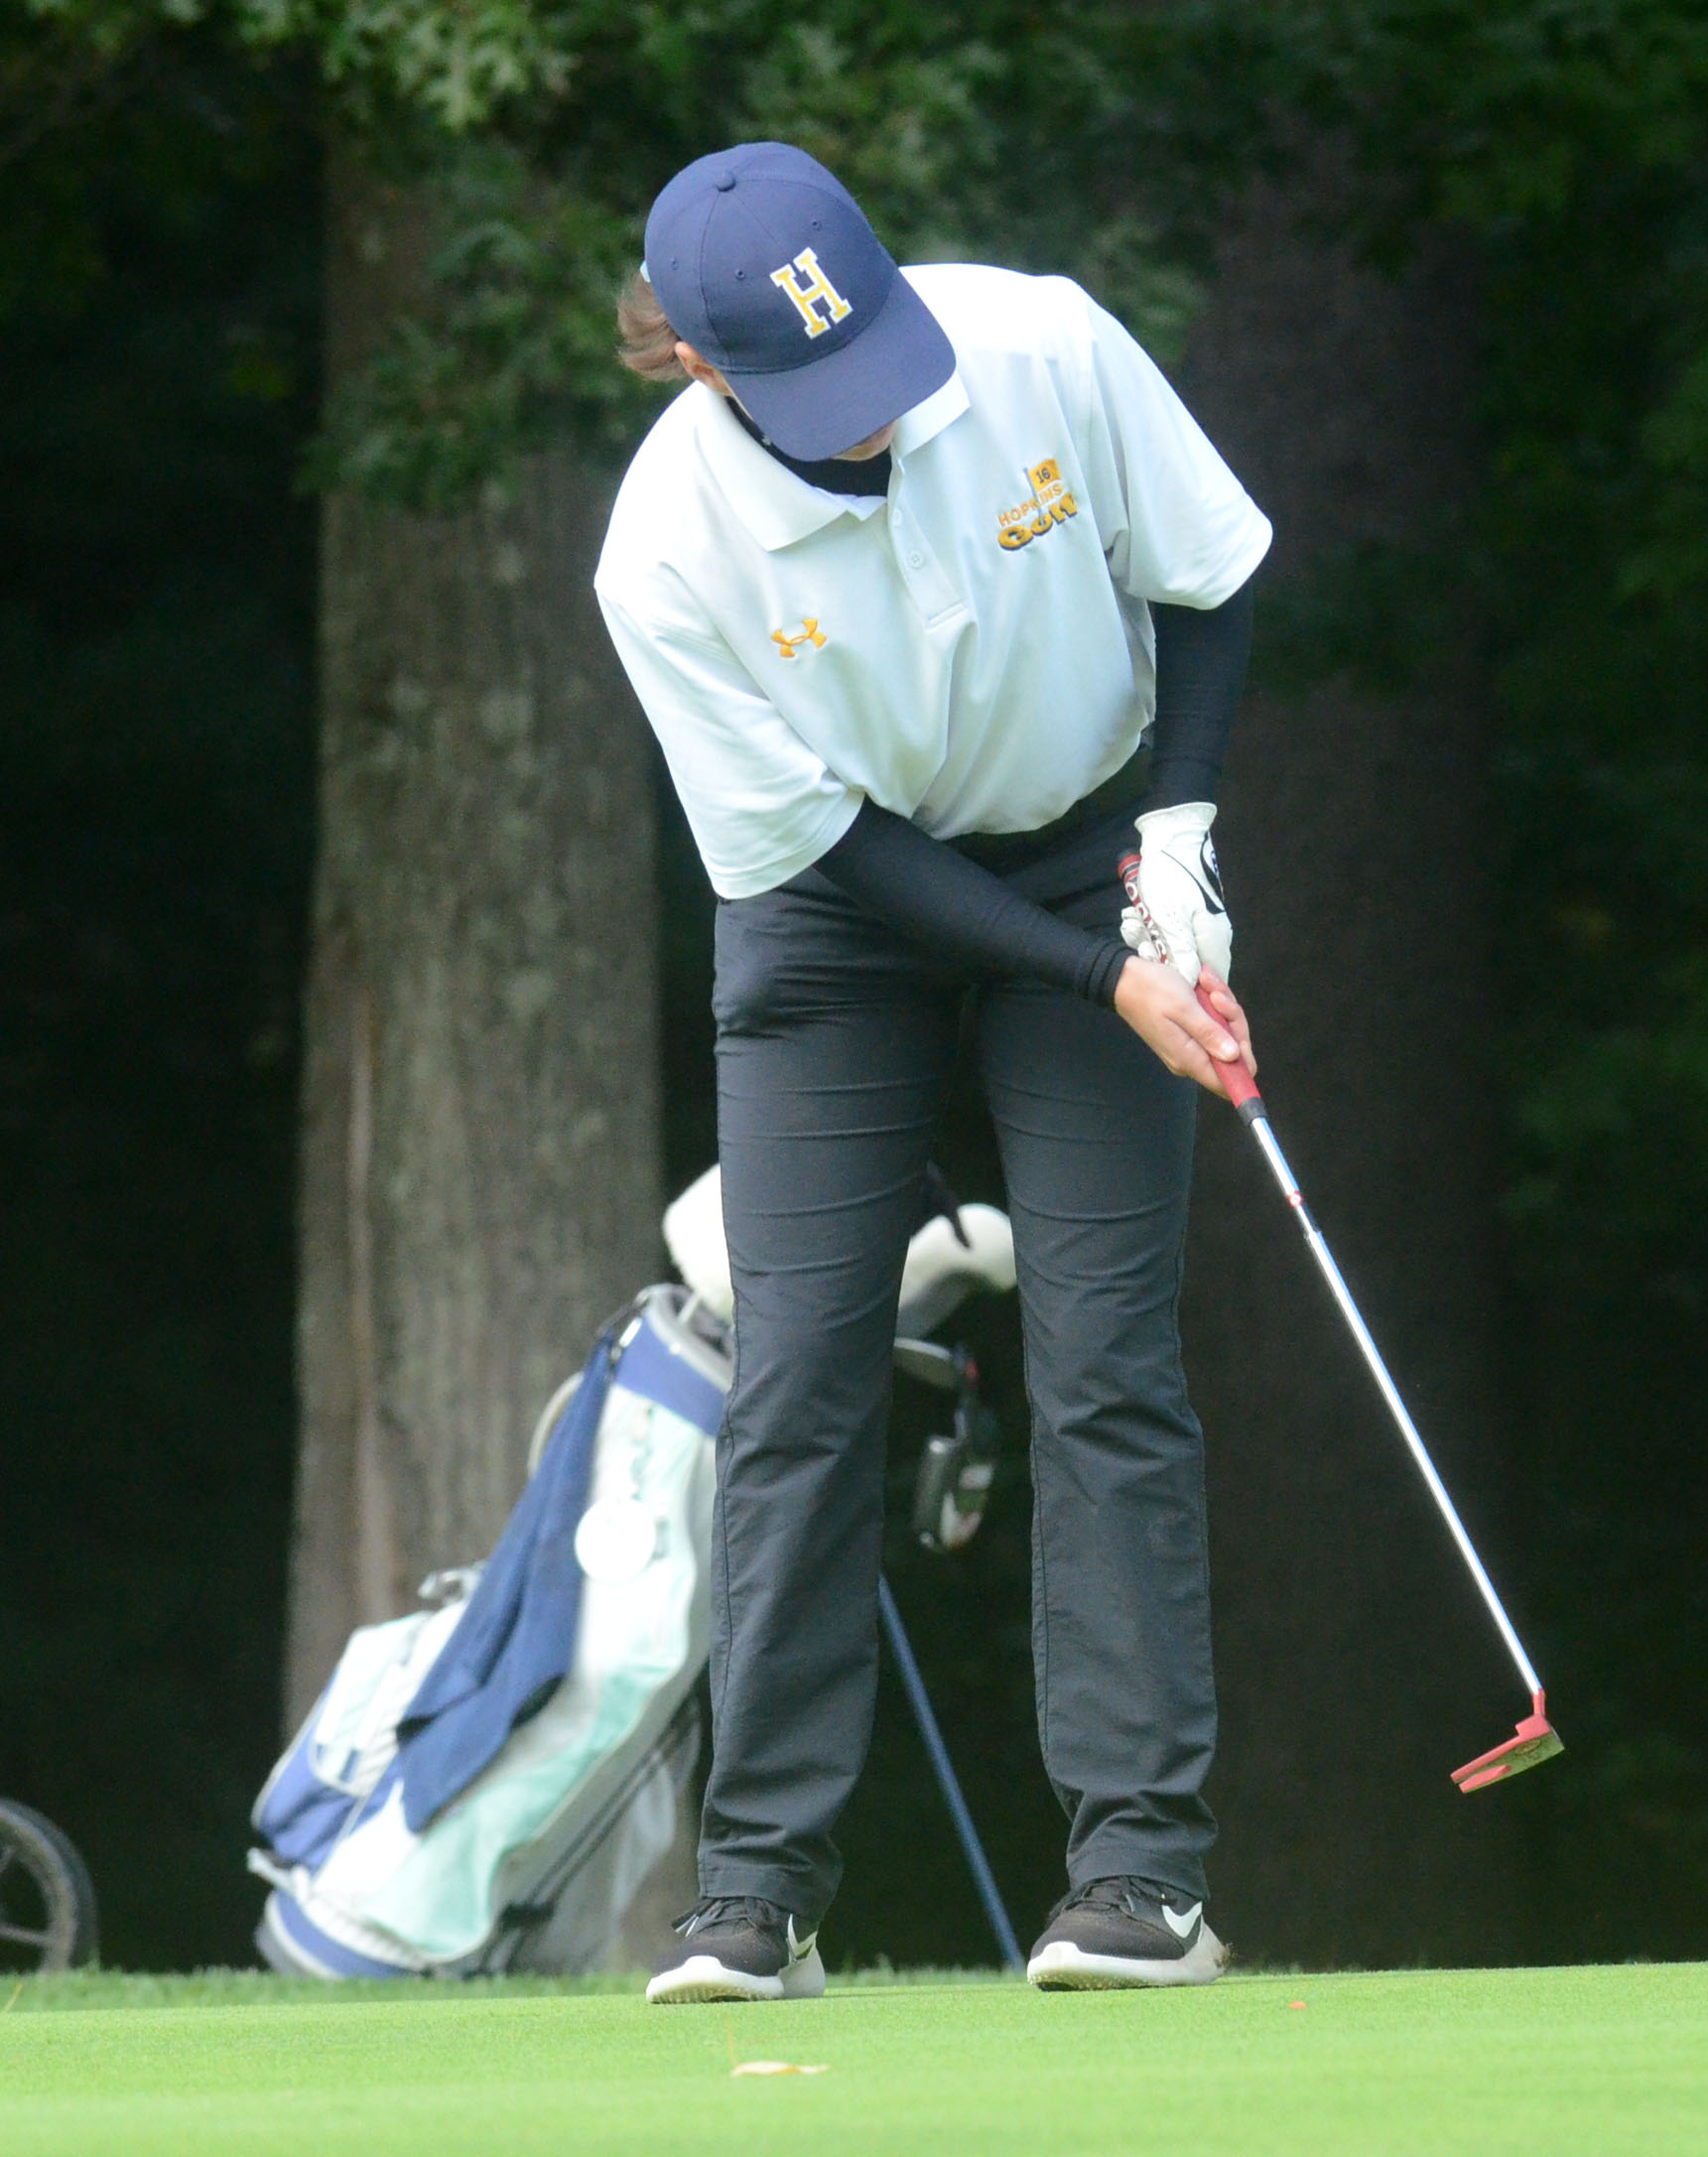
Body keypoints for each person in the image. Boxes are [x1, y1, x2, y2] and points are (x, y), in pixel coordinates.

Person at [594, 142, 1267, 2000]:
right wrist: (1090, 977)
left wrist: (1180, 833)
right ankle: (757, 1892)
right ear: (708, 370)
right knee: (801, 1372)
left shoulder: (1038, 345)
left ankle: (1140, 1879)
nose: (880, 420)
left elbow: (1207, 576)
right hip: (838, 911)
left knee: (1107, 1350)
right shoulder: (663, 552)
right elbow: (824, 851)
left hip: (1087, 841)